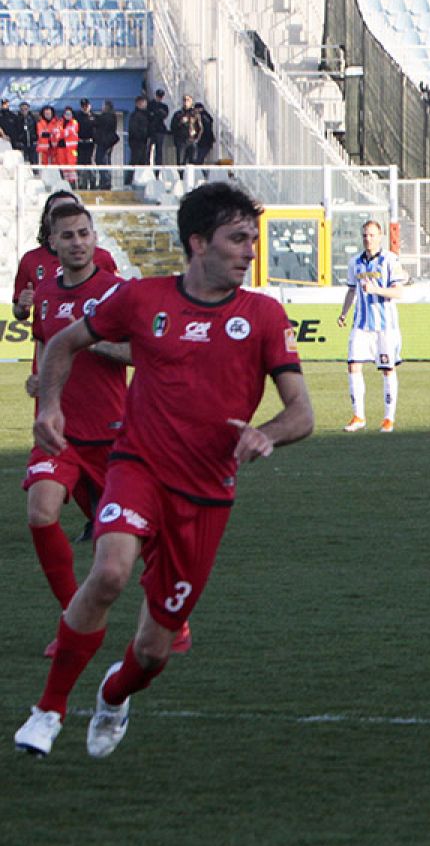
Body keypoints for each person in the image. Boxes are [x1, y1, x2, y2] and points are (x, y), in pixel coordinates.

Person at [13, 181, 314, 759]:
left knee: (153, 651)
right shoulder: (141, 298)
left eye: (252, 239)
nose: (250, 251)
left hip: (206, 494)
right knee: (109, 572)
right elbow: (62, 344)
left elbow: (302, 411)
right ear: (198, 242)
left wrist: (267, 433)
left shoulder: (263, 315)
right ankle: (48, 711)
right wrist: (49, 406)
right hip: (138, 465)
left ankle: (114, 694)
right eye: (238, 239)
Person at [22, 202, 135, 650]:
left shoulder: (116, 292)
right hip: (59, 432)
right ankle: (73, 620)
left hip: (111, 433)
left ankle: (169, 611)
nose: (77, 243)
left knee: (138, 540)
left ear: (94, 237)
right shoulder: (46, 293)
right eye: (67, 236)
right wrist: (40, 380)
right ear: (52, 242)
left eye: (83, 234)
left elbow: (139, 353)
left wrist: (89, 340)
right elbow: (46, 347)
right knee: (40, 512)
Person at [336, 219, 406, 433]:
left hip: (385, 326)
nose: (368, 239)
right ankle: (359, 416)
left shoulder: (390, 260)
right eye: (365, 235)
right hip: (361, 323)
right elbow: (351, 290)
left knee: (387, 369)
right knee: (353, 365)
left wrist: (376, 290)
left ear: (380, 236)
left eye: (372, 235)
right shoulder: (355, 262)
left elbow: (398, 292)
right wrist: (344, 313)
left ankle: (388, 418)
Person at [14, 189, 117, 323]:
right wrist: (22, 307)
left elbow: (117, 306)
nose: (77, 242)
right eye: (59, 212)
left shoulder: (103, 258)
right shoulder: (31, 261)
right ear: (47, 219)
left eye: (72, 209)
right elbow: (20, 312)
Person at [91, 101, 119, 191]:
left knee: (101, 161)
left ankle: (105, 182)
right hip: (107, 143)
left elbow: (98, 121)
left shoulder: (108, 117)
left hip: (104, 143)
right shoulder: (112, 117)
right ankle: (105, 181)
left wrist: (91, 115)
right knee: (104, 161)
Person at [125, 95, 154, 179]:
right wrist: (142, 135)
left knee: (144, 161)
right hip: (137, 143)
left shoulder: (147, 115)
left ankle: (142, 179)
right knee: (135, 161)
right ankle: (129, 180)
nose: (144, 104)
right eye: (142, 103)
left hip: (145, 142)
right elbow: (133, 130)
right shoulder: (135, 115)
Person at [74, 100, 96, 190]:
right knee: (80, 164)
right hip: (80, 144)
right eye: (83, 106)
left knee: (90, 164)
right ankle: (82, 184)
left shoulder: (93, 116)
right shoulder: (77, 116)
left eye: (86, 106)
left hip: (90, 144)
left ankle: (92, 183)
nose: (85, 108)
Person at [147, 88, 171, 164]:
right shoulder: (150, 105)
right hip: (150, 130)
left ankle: (158, 167)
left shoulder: (164, 106)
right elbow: (149, 115)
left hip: (160, 130)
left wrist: (157, 113)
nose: (159, 98)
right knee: (148, 150)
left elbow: (164, 115)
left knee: (159, 150)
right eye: (158, 96)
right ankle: (147, 165)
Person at [192, 100, 216, 165]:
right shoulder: (207, 116)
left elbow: (201, 129)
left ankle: (200, 171)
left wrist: (197, 139)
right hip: (208, 140)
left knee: (199, 160)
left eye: (195, 109)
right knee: (201, 159)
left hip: (203, 141)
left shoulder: (201, 116)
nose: (195, 111)